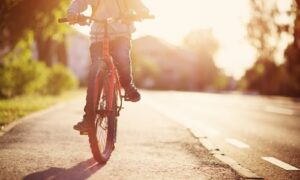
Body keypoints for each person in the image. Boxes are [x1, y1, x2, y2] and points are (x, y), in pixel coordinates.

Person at [67, 0, 151, 132]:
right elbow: (79, 2)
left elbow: (136, 4)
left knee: (121, 57)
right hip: (98, 35)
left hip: (121, 33)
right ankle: (88, 119)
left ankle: (128, 86)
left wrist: (142, 12)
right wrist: (72, 13)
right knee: (94, 73)